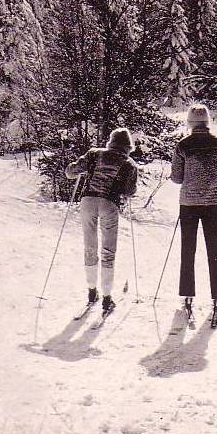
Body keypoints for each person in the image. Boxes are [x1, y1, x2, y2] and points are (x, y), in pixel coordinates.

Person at [65, 128, 139, 315]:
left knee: (89, 246)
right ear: (128, 147)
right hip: (109, 203)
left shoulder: (94, 154)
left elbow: (70, 172)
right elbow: (129, 192)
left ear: (110, 142)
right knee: (108, 250)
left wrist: (83, 170)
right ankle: (107, 298)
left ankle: (91, 291)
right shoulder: (129, 164)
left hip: (88, 201)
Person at [170, 104, 217, 318]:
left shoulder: (183, 145)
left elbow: (177, 178)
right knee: (214, 251)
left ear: (190, 123)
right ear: (207, 122)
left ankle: (187, 295)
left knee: (188, 250)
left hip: (189, 204)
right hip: (213, 203)